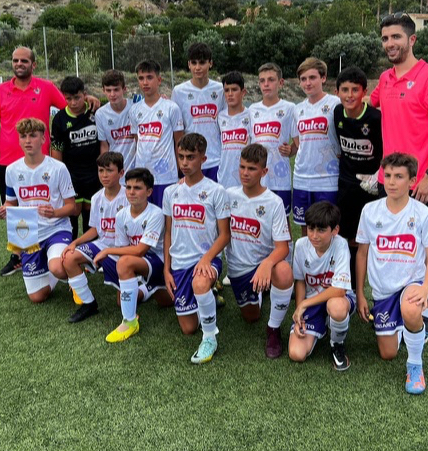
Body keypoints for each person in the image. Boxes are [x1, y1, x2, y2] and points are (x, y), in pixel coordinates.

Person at [370, 13, 428, 341]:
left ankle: (427, 315)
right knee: (394, 247)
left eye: (396, 38)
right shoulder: (385, 79)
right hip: (388, 180)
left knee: (425, 249)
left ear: (412, 40)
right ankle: (400, 307)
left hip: (422, 183)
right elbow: (365, 103)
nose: (390, 43)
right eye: (385, 39)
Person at [355, 153, 428, 394]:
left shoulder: (422, 214)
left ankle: (415, 365)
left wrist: (425, 288)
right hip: (383, 291)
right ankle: (402, 326)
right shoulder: (370, 211)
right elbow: (362, 254)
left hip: (411, 284)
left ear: (412, 181)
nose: (391, 182)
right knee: (387, 353)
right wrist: (360, 293)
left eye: (399, 177)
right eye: (388, 176)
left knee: (412, 309)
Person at [0, 46, 68, 277]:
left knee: (44, 208)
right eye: (15, 60)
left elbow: (67, 110)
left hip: (43, 163)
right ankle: (20, 257)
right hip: (9, 164)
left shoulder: (46, 88)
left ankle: (53, 252)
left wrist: (87, 97)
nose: (19, 64)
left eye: (24, 61)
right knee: (15, 211)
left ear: (33, 64)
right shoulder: (0, 91)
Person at [163, 133, 231, 364]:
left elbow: (225, 235)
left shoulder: (216, 191)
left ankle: (210, 338)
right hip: (180, 263)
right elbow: (169, 233)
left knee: (200, 282)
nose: (184, 162)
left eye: (190, 157)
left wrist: (207, 259)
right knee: (188, 328)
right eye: (181, 156)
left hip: (207, 258)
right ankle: (209, 298)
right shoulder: (170, 192)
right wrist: (167, 269)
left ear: (203, 158)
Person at [0, 118, 76, 303]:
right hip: (29, 235)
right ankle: (49, 266)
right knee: (37, 297)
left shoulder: (58, 168)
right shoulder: (12, 170)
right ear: (19, 140)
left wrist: (54, 213)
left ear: (43, 139)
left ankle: (64, 269)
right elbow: (10, 203)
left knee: (58, 268)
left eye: (33, 136)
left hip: (56, 229)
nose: (28, 140)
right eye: (23, 136)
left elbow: (72, 206)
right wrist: (4, 210)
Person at [225, 144, 294, 358]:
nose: (245, 173)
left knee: (282, 271)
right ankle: (263, 292)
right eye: (242, 167)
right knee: (251, 316)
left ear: (264, 172)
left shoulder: (274, 202)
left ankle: (273, 329)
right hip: (239, 269)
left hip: (265, 265)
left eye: (252, 169)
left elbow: (282, 247)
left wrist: (266, 263)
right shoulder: (228, 195)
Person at [92, 168, 173, 343]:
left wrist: (106, 250)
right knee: (124, 301)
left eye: (137, 188)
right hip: (139, 262)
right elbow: (124, 247)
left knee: (125, 263)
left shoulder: (156, 213)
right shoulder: (121, 215)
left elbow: (140, 250)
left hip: (157, 261)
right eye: (128, 187)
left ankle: (130, 323)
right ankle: (146, 289)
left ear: (149, 192)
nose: (131, 192)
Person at [61, 152, 127, 323]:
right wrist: (75, 243)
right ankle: (88, 303)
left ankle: (139, 284)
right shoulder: (97, 197)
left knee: (122, 303)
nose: (104, 175)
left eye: (109, 171)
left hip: (124, 250)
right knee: (69, 257)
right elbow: (95, 230)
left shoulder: (129, 196)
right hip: (101, 244)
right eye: (100, 171)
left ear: (121, 173)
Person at [289, 201, 354, 371]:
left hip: (338, 298)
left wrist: (304, 304)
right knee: (296, 353)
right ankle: (324, 323)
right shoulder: (301, 245)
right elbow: (301, 281)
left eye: (321, 230)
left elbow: (340, 289)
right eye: (311, 229)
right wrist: (299, 315)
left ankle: (337, 343)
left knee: (337, 307)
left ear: (335, 230)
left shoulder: (340, 245)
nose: (314, 235)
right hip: (312, 301)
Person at [333, 66, 383, 283]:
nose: (350, 95)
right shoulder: (337, 113)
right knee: (347, 235)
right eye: (345, 89)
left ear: (365, 91)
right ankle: (350, 283)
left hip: (370, 186)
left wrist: (378, 174)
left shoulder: (375, 117)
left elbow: (385, 147)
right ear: (337, 92)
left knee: (370, 237)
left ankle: (373, 282)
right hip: (346, 184)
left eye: (355, 89)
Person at [292, 58, 342, 236]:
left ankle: (330, 264)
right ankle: (308, 264)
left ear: (323, 78)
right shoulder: (297, 109)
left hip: (327, 179)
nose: (307, 83)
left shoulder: (335, 103)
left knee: (328, 227)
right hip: (301, 177)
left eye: (312, 77)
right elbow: (298, 142)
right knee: (306, 227)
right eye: (303, 79)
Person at [129, 59, 184, 208]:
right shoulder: (134, 110)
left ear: (159, 80)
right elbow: (137, 141)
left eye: (149, 77)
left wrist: (180, 171)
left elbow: (179, 142)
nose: (145, 82)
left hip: (166, 176)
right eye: (141, 78)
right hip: (143, 177)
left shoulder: (171, 108)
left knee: (167, 222)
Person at [51, 76, 100, 238]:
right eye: (69, 99)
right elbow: (57, 149)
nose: (73, 103)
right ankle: (69, 248)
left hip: (95, 173)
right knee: (73, 210)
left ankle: (89, 252)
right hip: (72, 175)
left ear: (84, 94)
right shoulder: (59, 119)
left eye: (77, 98)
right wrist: (58, 176)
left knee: (91, 211)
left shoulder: (96, 111)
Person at [248, 63, 298, 215]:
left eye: (271, 80)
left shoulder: (289, 108)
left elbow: (297, 143)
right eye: (262, 81)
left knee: (283, 221)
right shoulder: (252, 110)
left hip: (280, 177)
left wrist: (290, 150)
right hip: (258, 177)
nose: (266, 84)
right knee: (259, 218)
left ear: (280, 83)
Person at [171, 42, 225, 182]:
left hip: (216, 159)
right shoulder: (179, 91)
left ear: (210, 63)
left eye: (202, 62)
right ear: (189, 64)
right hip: (190, 161)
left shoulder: (220, 89)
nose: (197, 67)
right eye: (194, 63)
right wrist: (179, 161)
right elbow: (177, 130)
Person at [96, 69, 136, 183]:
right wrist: (106, 170)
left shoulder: (135, 107)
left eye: (116, 90)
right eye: (108, 90)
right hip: (116, 172)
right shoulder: (101, 114)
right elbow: (104, 145)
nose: (112, 94)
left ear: (124, 89)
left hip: (137, 168)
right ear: (103, 90)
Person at [217, 71, 251, 189]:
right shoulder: (220, 117)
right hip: (224, 178)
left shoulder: (251, 115)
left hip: (246, 178)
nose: (230, 94)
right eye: (227, 90)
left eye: (234, 90)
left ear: (243, 92)